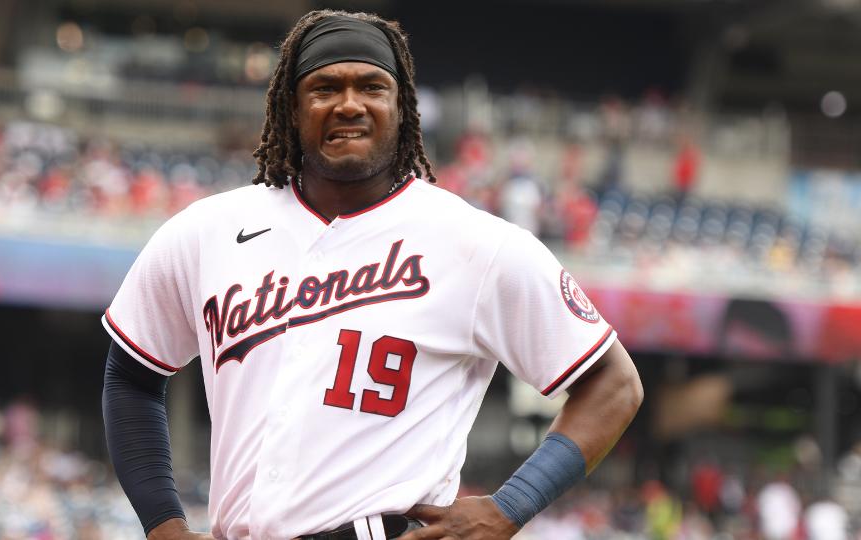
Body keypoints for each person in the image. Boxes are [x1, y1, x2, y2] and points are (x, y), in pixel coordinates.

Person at [101, 9, 643, 540]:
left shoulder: (477, 244)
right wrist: (163, 524)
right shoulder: (208, 231)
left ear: (402, 107)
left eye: (372, 87)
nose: (349, 105)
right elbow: (130, 374)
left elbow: (613, 384)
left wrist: (509, 507)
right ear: (290, 108)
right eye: (325, 88)